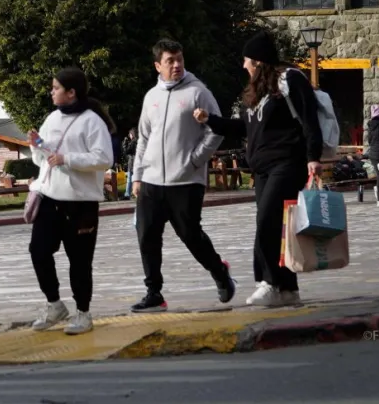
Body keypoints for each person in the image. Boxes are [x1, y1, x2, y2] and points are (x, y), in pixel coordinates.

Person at [193, 30, 323, 307]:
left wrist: (314, 157)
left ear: (259, 61)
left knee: (267, 221)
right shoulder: (255, 93)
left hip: (288, 163)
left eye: (247, 60)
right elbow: (245, 128)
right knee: (276, 226)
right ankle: (288, 289)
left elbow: (310, 118)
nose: (244, 66)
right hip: (262, 169)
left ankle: (269, 281)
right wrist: (211, 120)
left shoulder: (289, 80)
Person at [130, 39, 234, 313]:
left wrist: (196, 160)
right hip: (151, 181)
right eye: (169, 61)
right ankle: (154, 292)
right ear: (157, 65)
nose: (176, 65)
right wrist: (137, 176)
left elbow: (218, 128)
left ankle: (219, 271)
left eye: (179, 60)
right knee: (147, 235)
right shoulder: (150, 97)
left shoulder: (198, 92)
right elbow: (143, 138)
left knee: (190, 234)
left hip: (186, 180)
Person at [25, 67, 115, 335]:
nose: (51, 92)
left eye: (56, 88)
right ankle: (54, 304)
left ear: (71, 92)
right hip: (50, 197)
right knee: (38, 251)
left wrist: (68, 159)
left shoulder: (92, 122)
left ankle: (83, 313)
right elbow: (42, 159)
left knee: (79, 260)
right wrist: (35, 144)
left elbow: (104, 158)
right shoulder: (51, 118)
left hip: (80, 203)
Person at [121, 129, 137, 200]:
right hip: (137, 163)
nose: (129, 136)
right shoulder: (138, 141)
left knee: (129, 179)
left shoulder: (133, 142)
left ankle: (127, 194)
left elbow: (126, 151)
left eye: (130, 134)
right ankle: (135, 193)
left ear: (132, 134)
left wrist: (124, 144)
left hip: (132, 162)